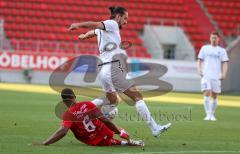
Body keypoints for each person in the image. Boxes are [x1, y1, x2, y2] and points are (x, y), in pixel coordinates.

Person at [68, 6, 171, 137]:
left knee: (111, 100)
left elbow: (92, 32)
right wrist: (78, 25)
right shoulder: (112, 24)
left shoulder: (101, 31)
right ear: (117, 17)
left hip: (103, 70)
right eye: (125, 18)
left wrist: (83, 36)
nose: (126, 22)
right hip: (113, 68)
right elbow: (93, 24)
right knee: (137, 97)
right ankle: (154, 128)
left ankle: (81, 112)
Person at [32, 88, 144, 146]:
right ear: (75, 97)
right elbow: (104, 120)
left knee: (108, 141)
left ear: (63, 101)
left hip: (93, 141)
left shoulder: (67, 115)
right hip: (104, 131)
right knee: (104, 119)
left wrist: (46, 142)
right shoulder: (87, 104)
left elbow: (63, 131)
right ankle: (126, 139)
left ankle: (124, 143)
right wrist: (118, 131)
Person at [197, 32, 229, 121]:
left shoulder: (222, 51)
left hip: (216, 76)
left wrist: (224, 73)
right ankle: (207, 114)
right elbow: (199, 60)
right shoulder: (205, 48)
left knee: (214, 96)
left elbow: (225, 63)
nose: (213, 39)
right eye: (212, 38)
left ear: (218, 39)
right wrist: (199, 70)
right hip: (206, 75)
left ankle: (212, 114)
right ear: (210, 38)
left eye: (215, 38)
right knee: (207, 92)